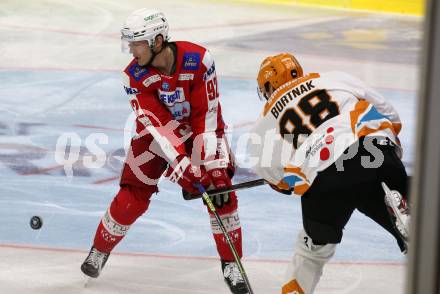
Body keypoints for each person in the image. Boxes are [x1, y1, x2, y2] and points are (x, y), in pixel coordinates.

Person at [81, 9, 248, 293]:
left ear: (157, 41)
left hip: (201, 129)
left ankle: (232, 264)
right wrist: (184, 165)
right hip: (155, 136)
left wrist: (214, 168)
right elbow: (160, 127)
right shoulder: (132, 77)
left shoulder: (199, 61)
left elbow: (205, 117)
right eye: (130, 44)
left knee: (221, 193)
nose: (131, 51)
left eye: (136, 43)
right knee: (132, 195)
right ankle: (99, 249)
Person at [249, 53, 410, 293]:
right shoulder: (334, 78)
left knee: (312, 249)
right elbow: (390, 113)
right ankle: (404, 209)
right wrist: (389, 148)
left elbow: (275, 175)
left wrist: (284, 183)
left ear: (269, 86)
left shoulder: (264, 121)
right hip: (372, 150)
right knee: (416, 221)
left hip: (326, 177)